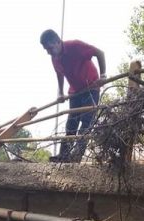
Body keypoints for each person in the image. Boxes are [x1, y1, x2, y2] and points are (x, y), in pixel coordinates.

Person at [40, 29, 106, 162]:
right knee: (71, 124)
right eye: (46, 50)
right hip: (75, 92)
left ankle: (77, 155)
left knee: (86, 122)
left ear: (58, 42)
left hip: (91, 88)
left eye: (50, 48)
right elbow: (60, 75)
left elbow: (99, 53)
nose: (48, 52)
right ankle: (63, 156)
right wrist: (60, 92)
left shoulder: (75, 46)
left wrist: (103, 75)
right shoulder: (54, 58)